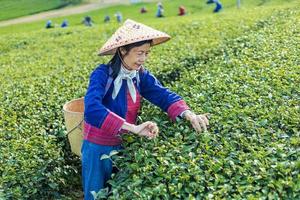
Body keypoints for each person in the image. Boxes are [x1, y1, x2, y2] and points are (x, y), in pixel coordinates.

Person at [81, 19, 210, 200]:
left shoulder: (140, 75)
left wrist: (188, 114)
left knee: (118, 191)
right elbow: (93, 110)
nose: (143, 58)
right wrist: (133, 128)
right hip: (98, 146)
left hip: (124, 143)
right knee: (95, 193)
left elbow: (163, 95)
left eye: (147, 53)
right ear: (122, 51)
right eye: (139, 53)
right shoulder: (102, 74)